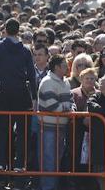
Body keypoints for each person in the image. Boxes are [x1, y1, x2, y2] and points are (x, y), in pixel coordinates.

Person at [0, 18, 36, 177]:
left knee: (2, 130)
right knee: (22, 132)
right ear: (18, 31)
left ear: (5, 29)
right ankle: (19, 164)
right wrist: (34, 99)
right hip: (22, 95)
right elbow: (32, 77)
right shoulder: (26, 50)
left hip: (4, 94)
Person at [37, 54, 74, 190]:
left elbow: (71, 102)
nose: (67, 68)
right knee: (49, 162)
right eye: (64, 65)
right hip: (48, 129)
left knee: (55, 161)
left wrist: (69, 108)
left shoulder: (65, 82)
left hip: (60, 127)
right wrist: (68, 109)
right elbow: (53, 107)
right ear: (57, 67)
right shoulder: (47, 82)